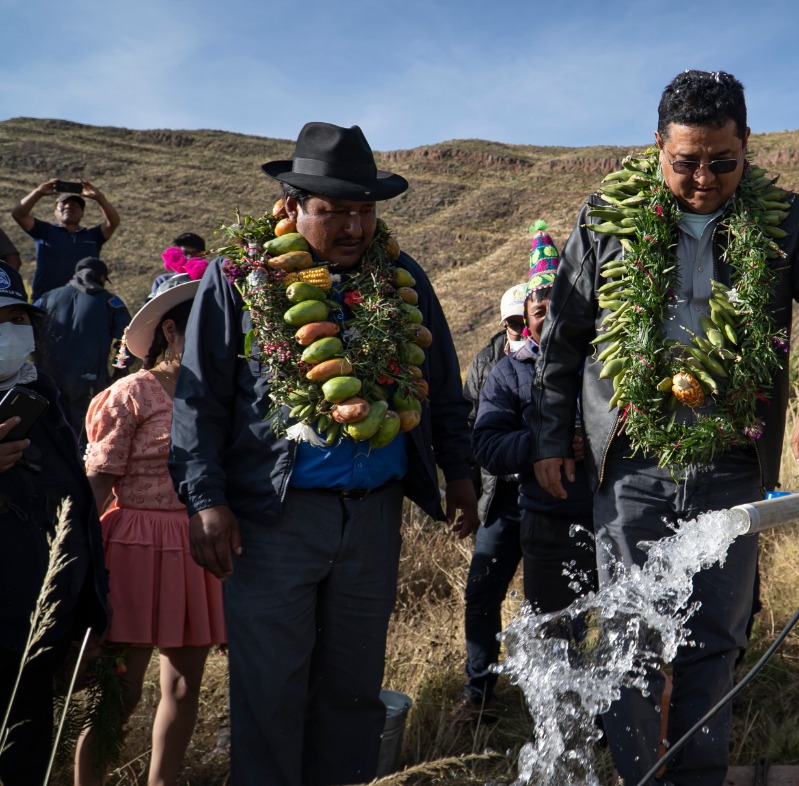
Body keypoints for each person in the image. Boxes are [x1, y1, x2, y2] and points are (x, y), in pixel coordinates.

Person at [532, 70, 799, 786]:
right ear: (657, 146)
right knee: (629, 639)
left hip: (729, 465)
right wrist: (550, 438)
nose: (705, 179)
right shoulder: (604, 221)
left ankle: (698, 776)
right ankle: (639, 775)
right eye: (686, 162)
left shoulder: (781, 222)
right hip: (632, 467)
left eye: (724, 161)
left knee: (714, 640)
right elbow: (562, 336)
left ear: (747, 145)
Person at [169, 122, 479, 786]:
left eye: (364, 211)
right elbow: (200, 400)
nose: (353, 227)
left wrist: (459, 473)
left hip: (373, 519)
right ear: (292, 206)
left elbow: (443, 386)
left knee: (353, 692)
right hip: (276, 520)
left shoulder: (403, 279)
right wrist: (205, 498)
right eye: (334, 211)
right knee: (270, 694)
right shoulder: (241, 280)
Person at [75, 271, 225, 786]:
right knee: (120, 691)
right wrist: (75, 561)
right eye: (203, 330)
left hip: (194, 546)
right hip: (134, 547)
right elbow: (98, 482)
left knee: (183, 687)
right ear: (170, 331)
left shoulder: (217, 396)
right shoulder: (131, 394)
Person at [0, 261, 110, 786]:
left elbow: (77, 506)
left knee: (25, 755)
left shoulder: (38, 393)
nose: (9, 333)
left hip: (33, 633)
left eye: (17, 320)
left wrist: (88, 609)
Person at [475, 224, 597, 614]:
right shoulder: (507, 374)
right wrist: (544, 441)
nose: (550, 317)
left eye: (558, 306)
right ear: (527, 320)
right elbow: (487, 445)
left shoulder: (603, 362)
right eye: (539, 311)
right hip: (548, 524)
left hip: (613, 517)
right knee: (556, 631)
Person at [458, 281, 529, 714]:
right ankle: (478, 691)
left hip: (552, 496)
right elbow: (469, 429)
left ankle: (554, 692)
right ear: (505, 324)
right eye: (515, 322)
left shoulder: (560, 354)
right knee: (482, 593)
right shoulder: (488, 363)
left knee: (553, 598)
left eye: (528, 320)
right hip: (500, 497)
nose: (523, 329)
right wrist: (467, 494)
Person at [35, 256, 130, 442]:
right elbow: (126, 338)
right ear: (101, 278)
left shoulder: (46, 298)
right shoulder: (110, 301)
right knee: (87, 436)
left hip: (48, 380)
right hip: (90, 381)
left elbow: (28, 328)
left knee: (52, 434)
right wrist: (120, 369)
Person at [10, 180, 120, 301]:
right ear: (55, 213)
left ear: (82, 213)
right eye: (62, 204)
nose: (68, 206)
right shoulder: (44, 231)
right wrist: (38, 192)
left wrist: (99, 197)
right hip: (47, 299)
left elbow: (113, 222)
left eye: (74, 205)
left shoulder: (93, 236)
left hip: (84, 299)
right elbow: (18, 214)